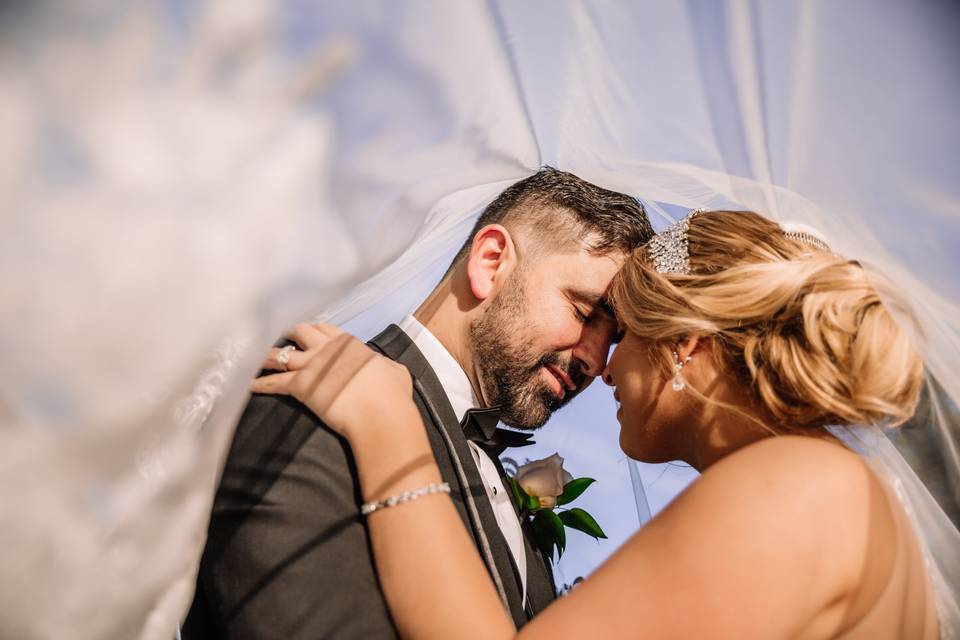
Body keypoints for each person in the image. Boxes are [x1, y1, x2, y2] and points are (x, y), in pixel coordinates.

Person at [254, 209, 943, 638]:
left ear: (687, 345)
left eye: (625, 336)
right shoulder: (828, 485)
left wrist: (388, 430)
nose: (606, 370)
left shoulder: (797, 488)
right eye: (589, 318)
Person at [182, 167, 653, 638]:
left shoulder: (505, 489)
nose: (595, 360)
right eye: (585, 312)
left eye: (612, 341)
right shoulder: (308, 392)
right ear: (490, 262)